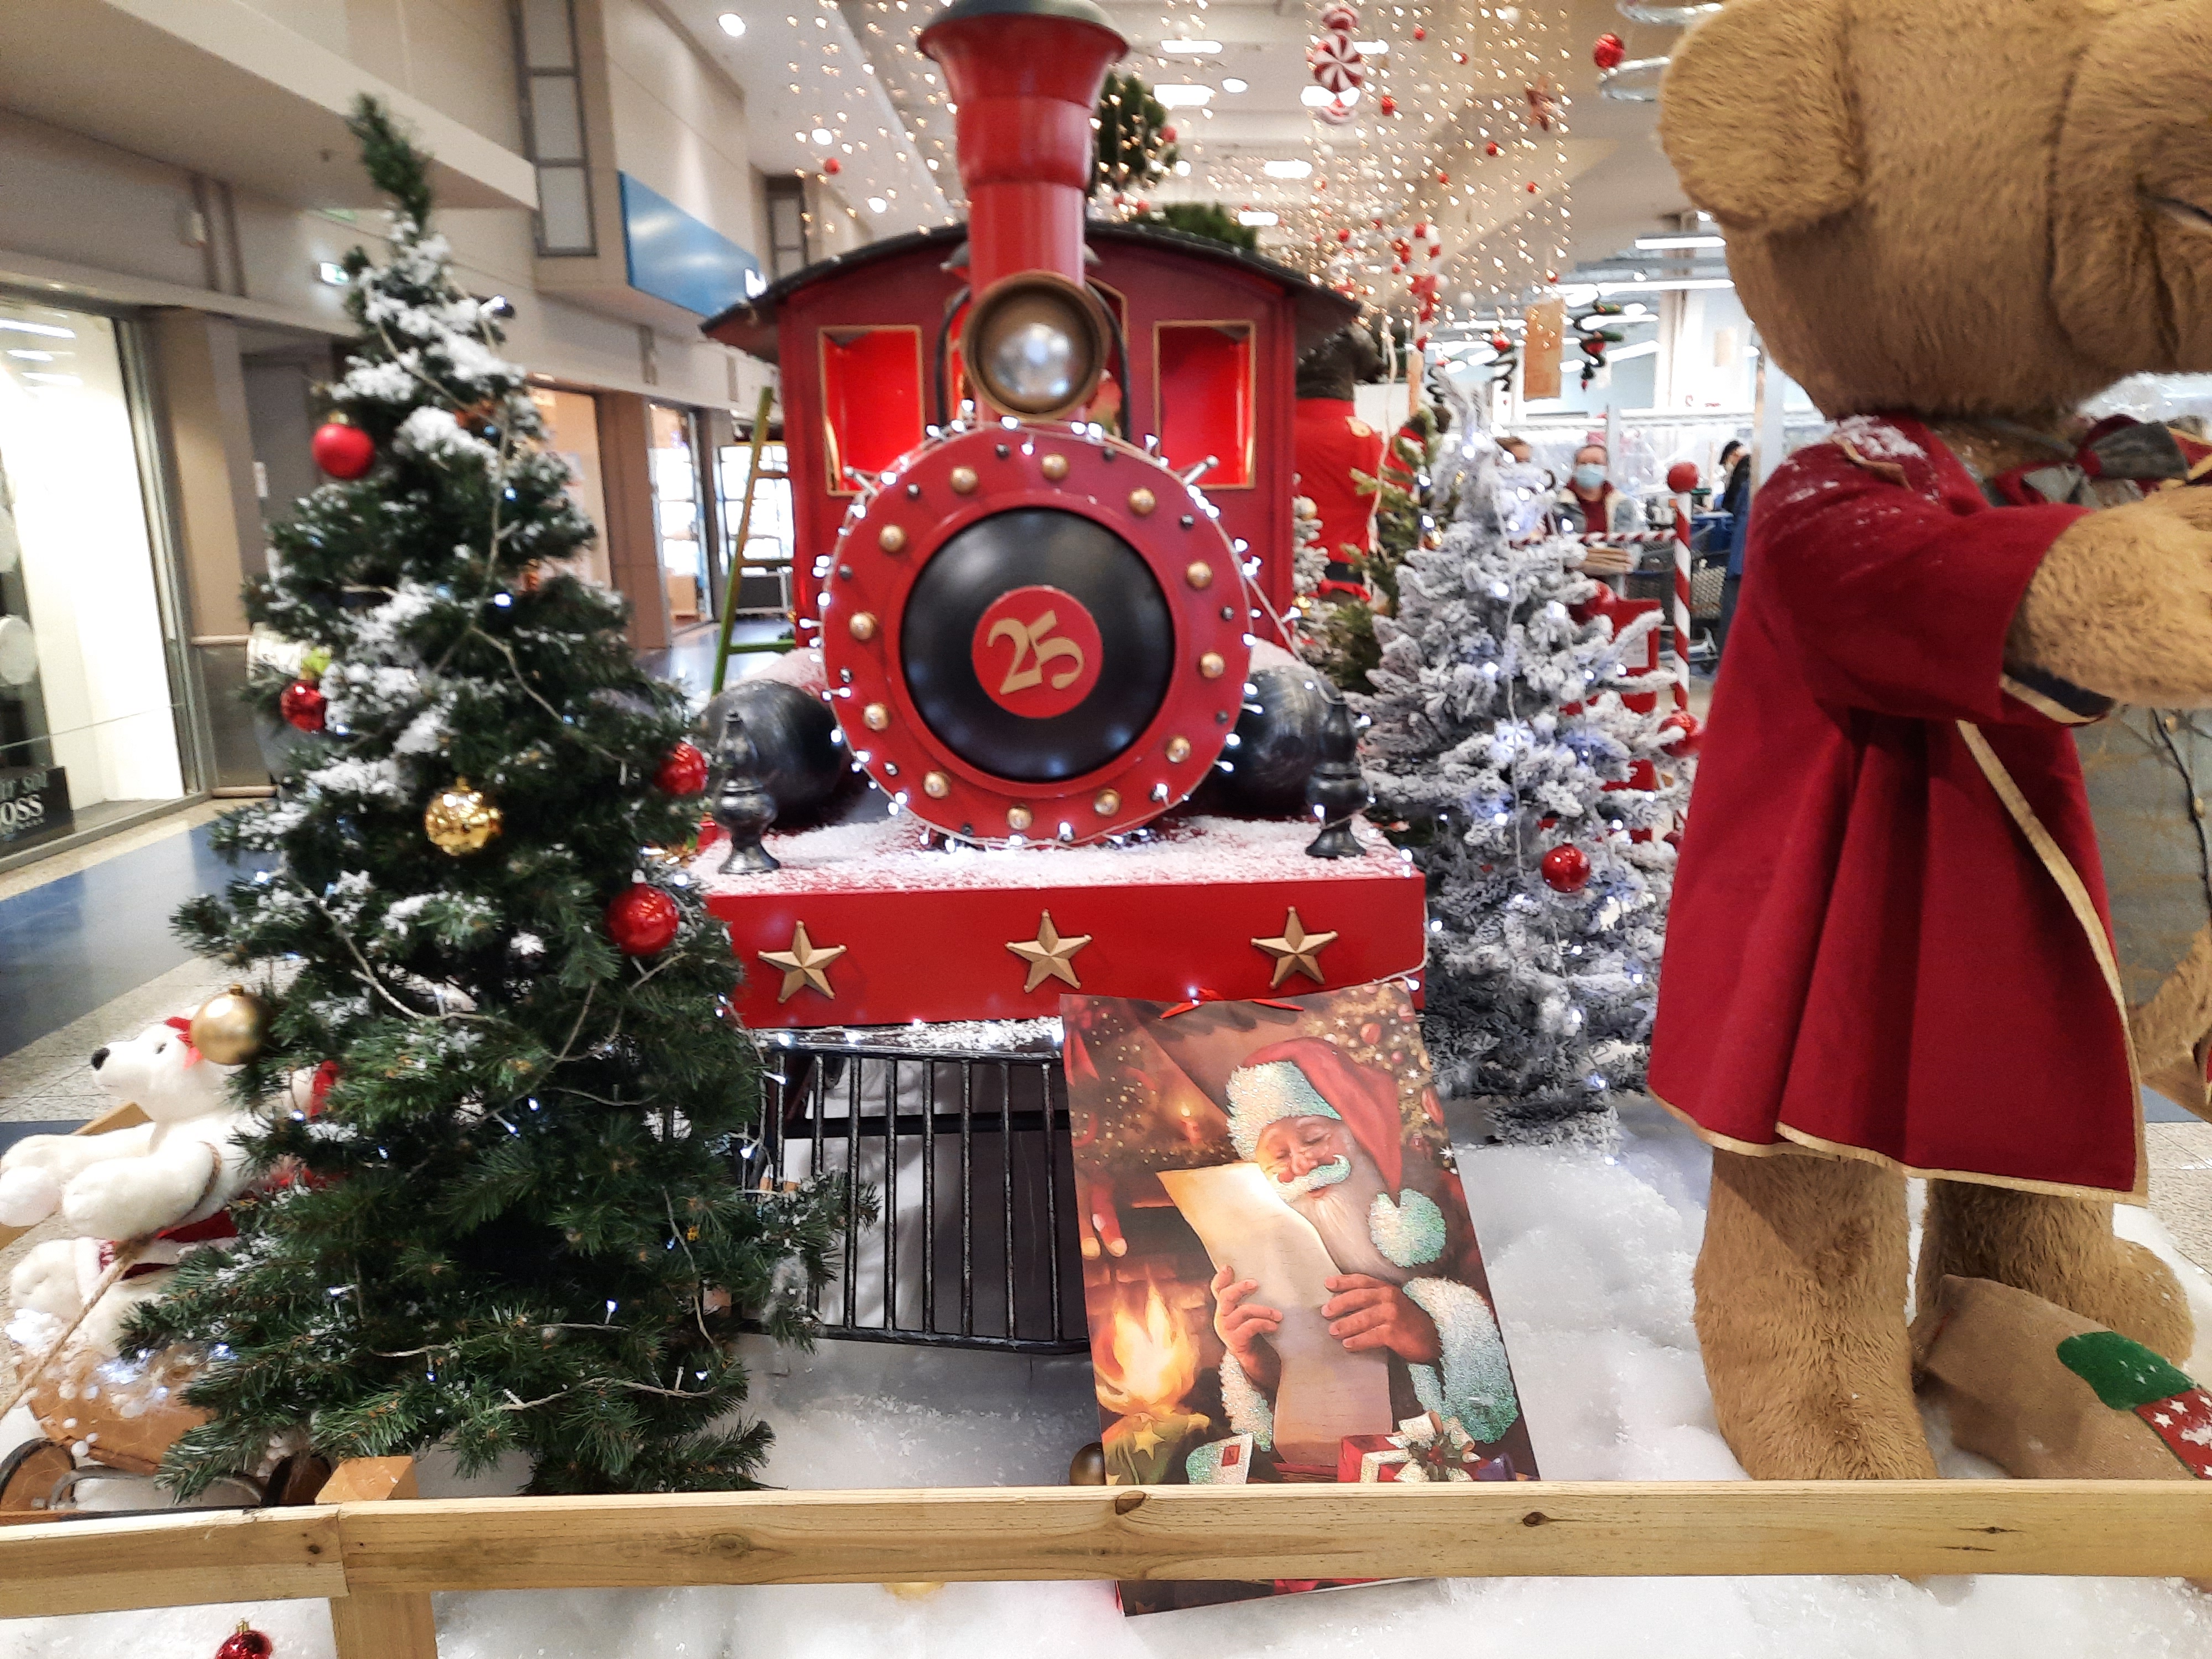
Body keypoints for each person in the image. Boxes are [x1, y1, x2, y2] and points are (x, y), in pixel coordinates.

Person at [1205, 1037, 1520, 1450]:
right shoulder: (1261, 1259)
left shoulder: (1456, 1204)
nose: (1304, 1164)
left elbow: (1534, 1339)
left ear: (1360, 1133)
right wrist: (1253, 1359)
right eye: (1279, 1156)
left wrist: (1437, 1332)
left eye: (1314, 1139)